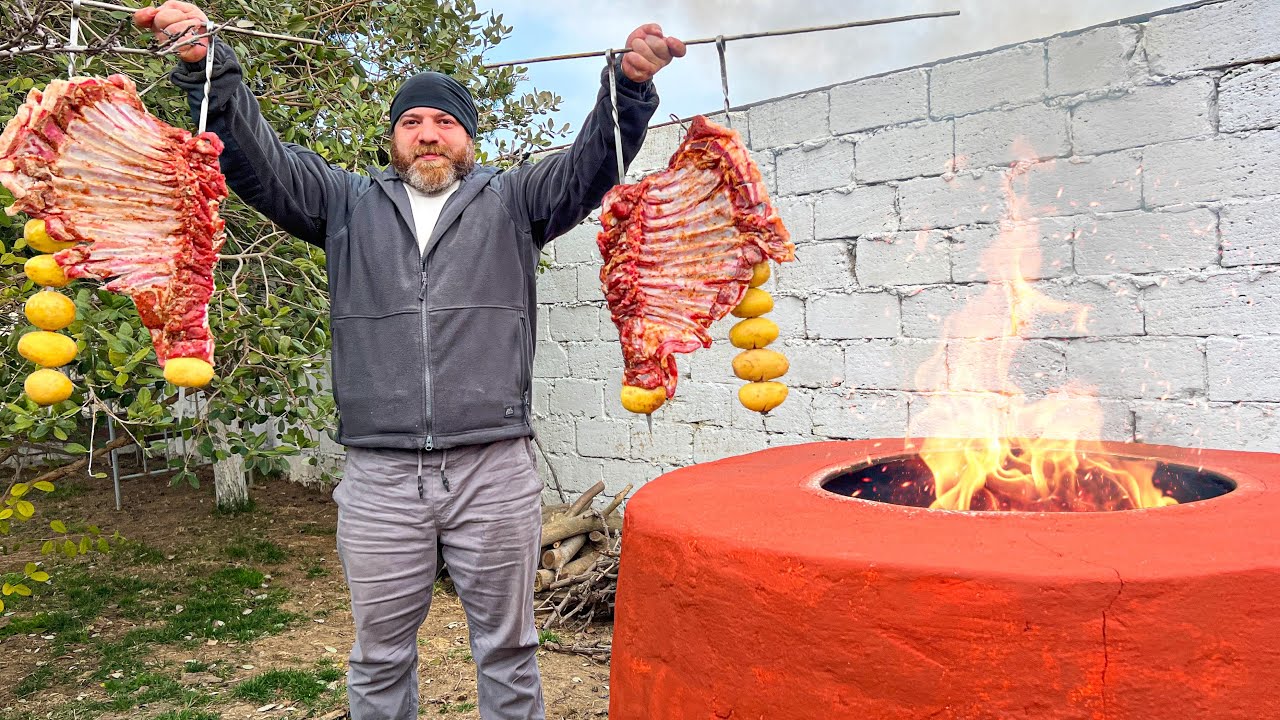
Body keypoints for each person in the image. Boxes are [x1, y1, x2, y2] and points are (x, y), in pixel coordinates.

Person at [131, 3, 684, 718]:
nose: (428, 133)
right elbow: (257, 159)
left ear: (469, 139)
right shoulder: (344, 204)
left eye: (445, 122)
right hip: (381, 475)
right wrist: (209, 65)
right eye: (412, 122)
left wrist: (629, 86)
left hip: (493, 469)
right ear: (393, 137)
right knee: (379, 655)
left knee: (510, 651)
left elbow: (590, 164)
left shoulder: (515, 201)